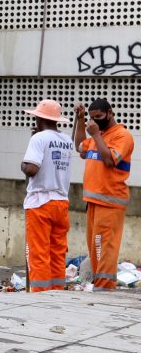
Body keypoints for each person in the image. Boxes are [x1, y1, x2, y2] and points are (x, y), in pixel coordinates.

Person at [73, 99, 134, 290]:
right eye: (92, 118)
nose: (95, 121)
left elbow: (109, 160)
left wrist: (96, 135)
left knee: (103, 249)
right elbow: (80, 147)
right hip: (93, 201)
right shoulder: (97, 135)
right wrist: (81, 120)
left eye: (98, 117)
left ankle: (105, 287)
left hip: (110, 202)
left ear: (110, 112)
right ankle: (101, 286)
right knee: (95, 249)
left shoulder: (122, 135)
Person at [20, 99, 74, 292]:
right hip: (61, 203)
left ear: (39, 118)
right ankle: (57, 293)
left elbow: (32, 169)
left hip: (40, 203)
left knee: (39, 253)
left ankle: (40, 296)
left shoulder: (38, 139)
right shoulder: (67, 140)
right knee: (57, 252)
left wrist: (23, 165)